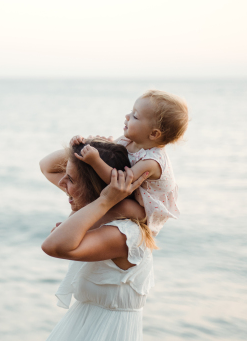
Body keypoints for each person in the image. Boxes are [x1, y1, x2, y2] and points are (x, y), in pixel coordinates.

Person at [38, 139, 153, 341]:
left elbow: (53, 246)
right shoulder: (91, 212)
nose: (62, 182)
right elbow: (46, 165)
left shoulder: (122, 234)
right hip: (82, 331)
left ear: (94, 187)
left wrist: (105, 200)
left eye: (71, 178)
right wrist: (92, 149)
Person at [71, 89, 189, 235]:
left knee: (123, 206)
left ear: (153, 134)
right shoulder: (130, 139)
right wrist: (91, 144)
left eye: (135, 116)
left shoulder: (151, 162)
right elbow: (113, 153)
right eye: (131, 111)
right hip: (134, 194)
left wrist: (95, 161)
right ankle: (76, 222)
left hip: (146, 210)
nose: (127, 116)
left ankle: (82, 229)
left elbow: (119, 183)